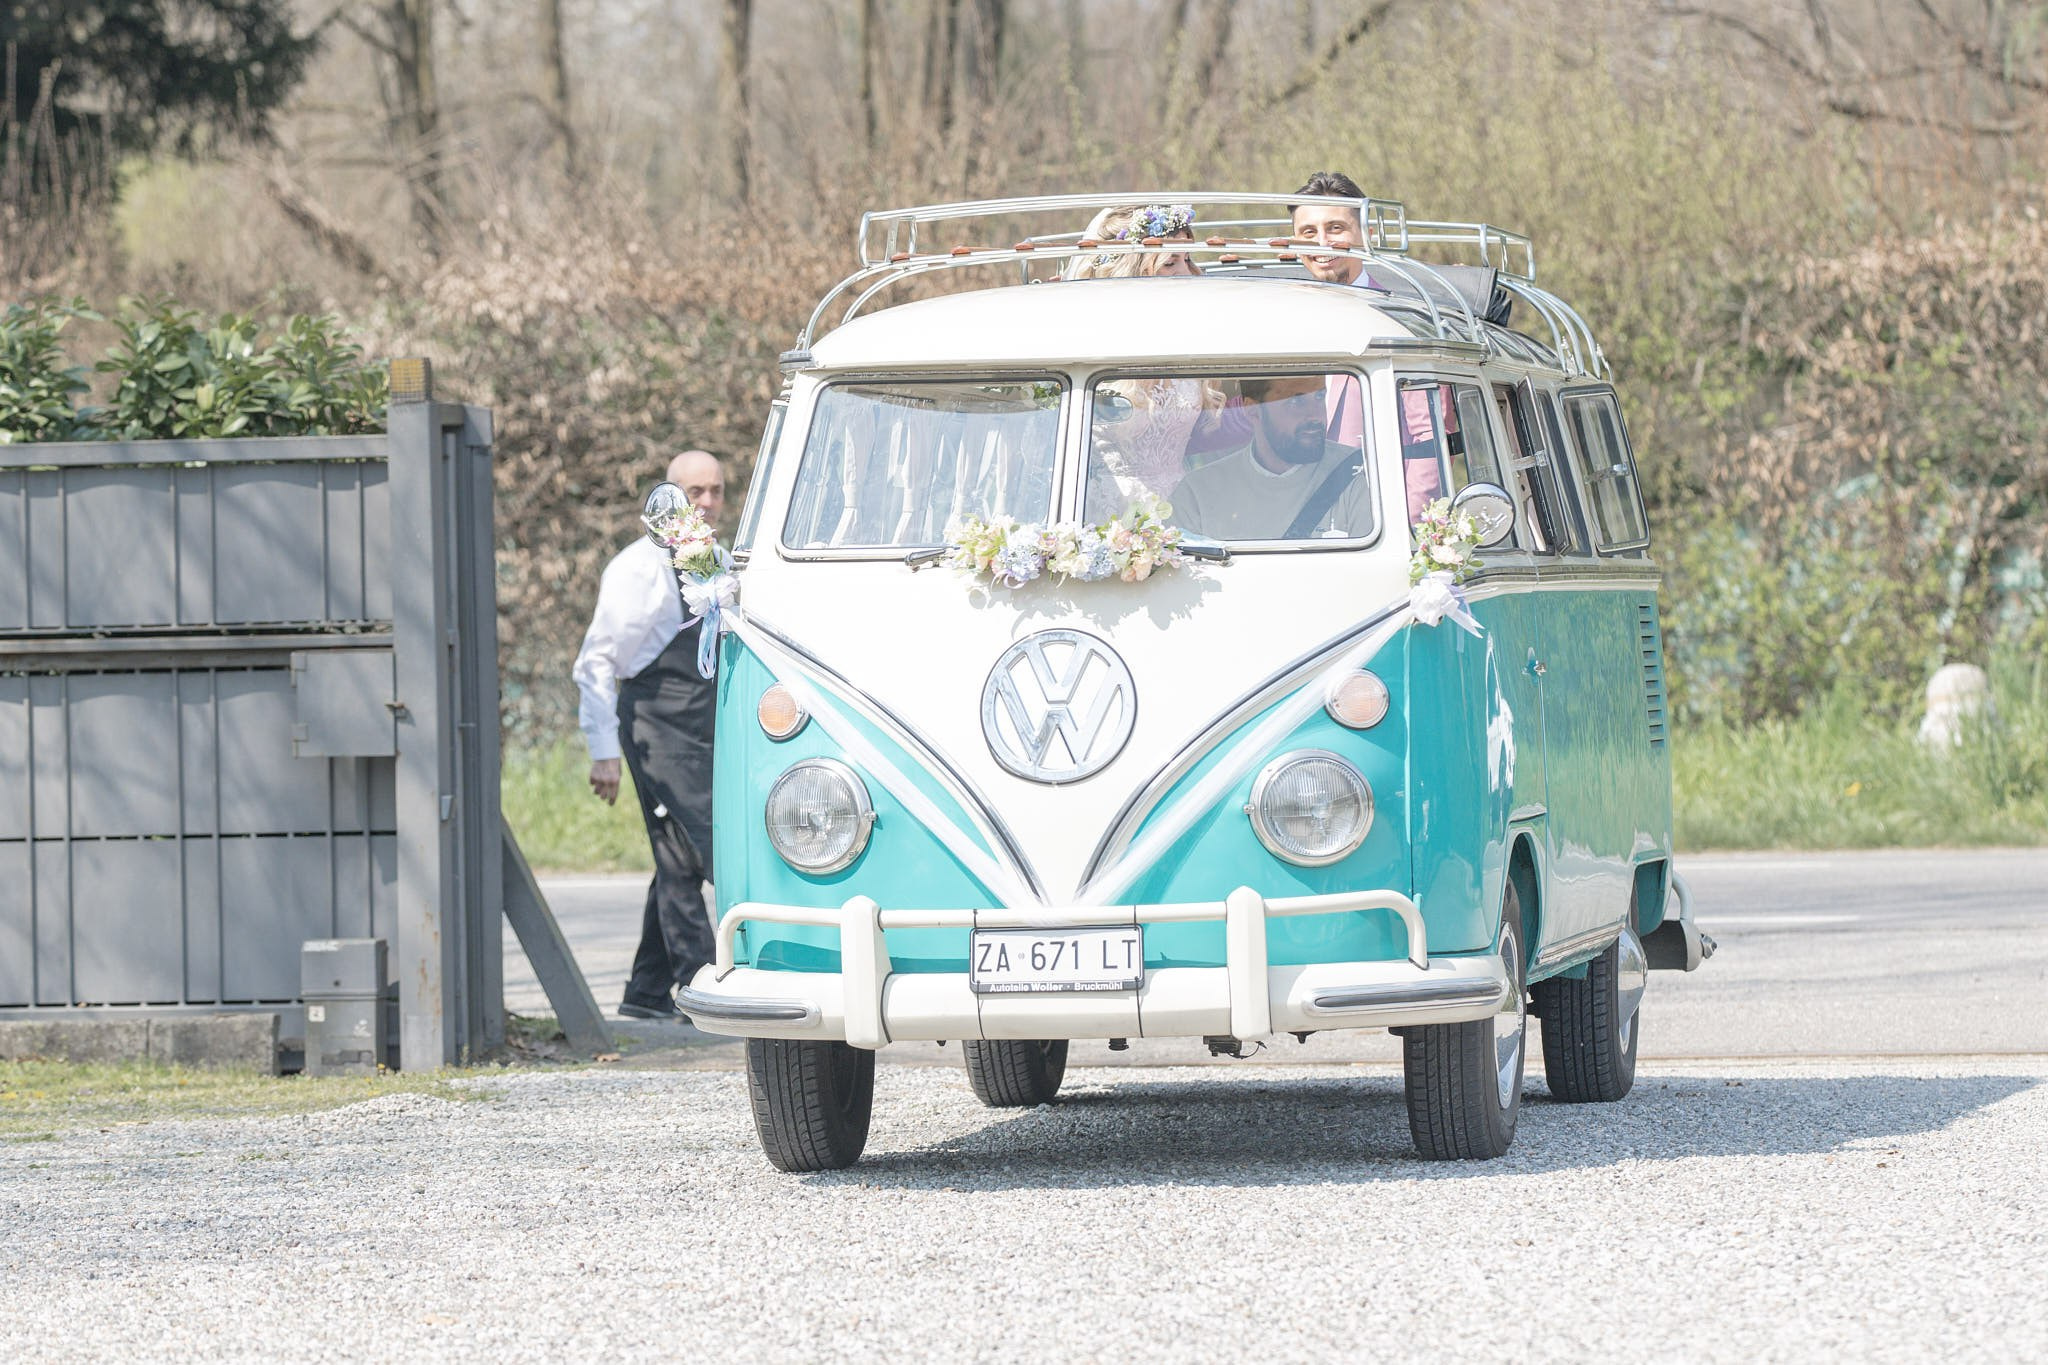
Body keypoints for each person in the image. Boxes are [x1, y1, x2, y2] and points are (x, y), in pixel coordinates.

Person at [571, 450, 724, 1021]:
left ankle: (646, 992)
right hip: (656, 726)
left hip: (704, 725)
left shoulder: (717, 561)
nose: (706, 503)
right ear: (669, 496)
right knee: (708, 850)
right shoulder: (637, 568)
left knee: (677, 856)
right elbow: (596, 662)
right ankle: (702, 982)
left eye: (716, 491)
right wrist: (603, 751)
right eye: (695, 492)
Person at [1172, 375, 1375, 541]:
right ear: (1252, 410)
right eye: (1295, 401)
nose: (1315, 416)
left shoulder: (1357, 474)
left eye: (1319, 397)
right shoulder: (1198, 492)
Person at [1290, 171, 1381, 460]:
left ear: (1366, 235)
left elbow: (1426, 438)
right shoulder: (1285, 321)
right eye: (1308, 232)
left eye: (1336, 228)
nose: (1322, 243)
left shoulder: (1398, 319)